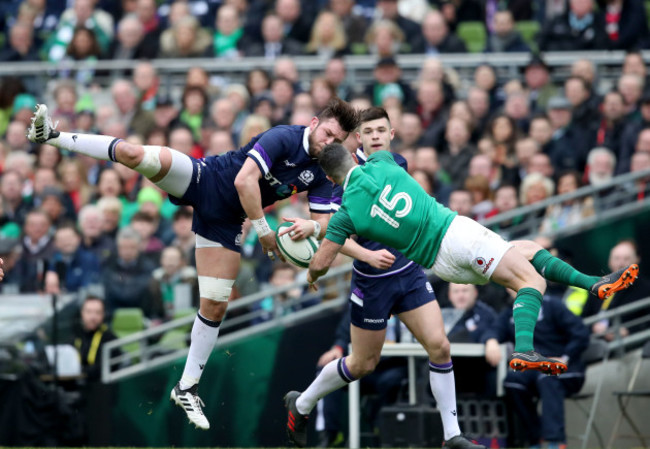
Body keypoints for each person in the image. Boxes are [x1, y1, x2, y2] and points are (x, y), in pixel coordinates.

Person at [286, 107, 639, 446]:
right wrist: (346, 244)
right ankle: (301, 404)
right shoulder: (372, 172)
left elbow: (325, 250)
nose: (377, 137)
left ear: (390, 135)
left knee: (444, 341)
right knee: (364, 362)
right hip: (388, 272)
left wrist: (313, 270)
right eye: (369, 132)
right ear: (356, 141)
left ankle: (452, 435)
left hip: (414, 268)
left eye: (382, 131)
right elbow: (330, 228)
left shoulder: (384, 169)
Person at [27, 98, 360, 430]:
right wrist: (264, 232)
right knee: (133, 155)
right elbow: (244, 181)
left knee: (215, 307)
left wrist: (312, 233)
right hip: (206, 178)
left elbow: (326, 223)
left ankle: (186, 387)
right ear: (314, 123)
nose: (329, 143)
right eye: (328, 134)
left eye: (337, 140)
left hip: (227, 221)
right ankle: (50, 136)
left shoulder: (320, 171)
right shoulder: (284, 136)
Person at [483, 291, 590, 449]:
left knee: (546, 375)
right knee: (512, 382)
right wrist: (491, 340)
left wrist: (565, 357)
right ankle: (535, 439)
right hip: (533, 370)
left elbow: (581, 333)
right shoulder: (509, 311)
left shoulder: (552, 304)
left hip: (566, 367)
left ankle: (556, 441)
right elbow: (493, 330)